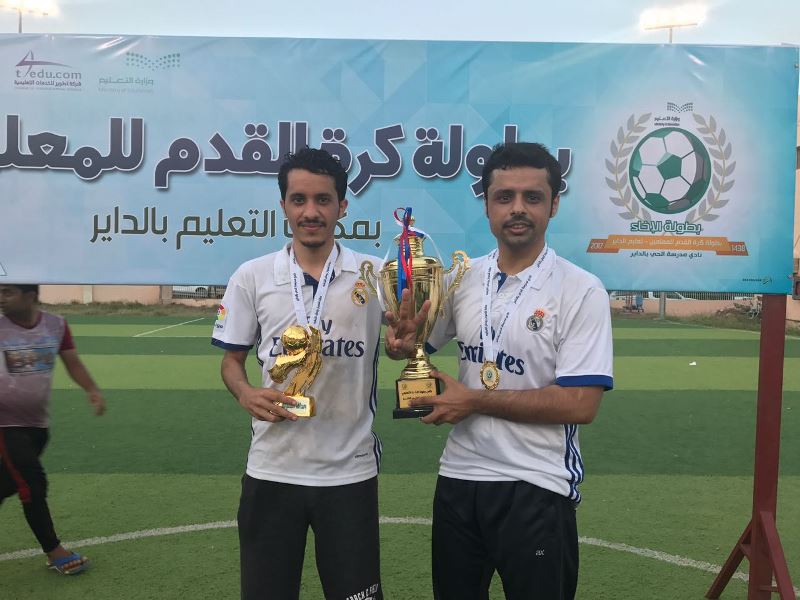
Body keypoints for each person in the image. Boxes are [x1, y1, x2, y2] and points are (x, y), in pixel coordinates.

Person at [386, 142, 614, 600]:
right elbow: (416, 348)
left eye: (533, 197)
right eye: (504, 196)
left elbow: (580, 404)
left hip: (537, 484)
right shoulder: (461, 278)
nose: (518, 209)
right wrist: (403, 346)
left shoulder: (581, 290)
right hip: (459, 479)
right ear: (487, 206)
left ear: (554, 204)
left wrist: (473, 400)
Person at [213, 147, 422, 600]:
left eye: (323, 200)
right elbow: (231, 361)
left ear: (342, 206)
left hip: (349, 473)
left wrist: (403, 348)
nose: (311, 212)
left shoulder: (375, 274)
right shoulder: (252, 276)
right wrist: (245, 393)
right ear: (284, 205)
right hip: (272, 469)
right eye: (299, 199)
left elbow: (400, 344)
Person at [0, 284, 106, 576]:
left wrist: (92, 390)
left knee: (6, 483)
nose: (1, 298)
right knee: (31, 483)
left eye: (7, 292)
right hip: (5, 425)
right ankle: (54, 550)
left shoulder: (55, 325)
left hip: (36, 426)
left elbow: (72, 362)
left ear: (30, 296)